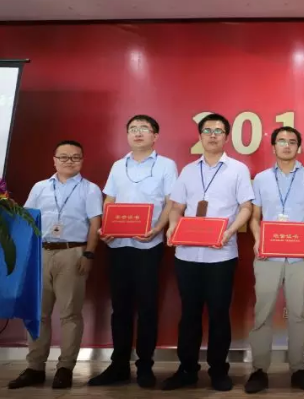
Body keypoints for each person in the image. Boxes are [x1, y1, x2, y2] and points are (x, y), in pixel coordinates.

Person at [162, 113, 254, 392]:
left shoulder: (238, 169)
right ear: (200, 136)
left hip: (221, 255)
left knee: (218, 314)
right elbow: (177, 207)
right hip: (187, 255)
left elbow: (246, 207)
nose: (213, 135)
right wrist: (172, 226)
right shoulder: (188, 170)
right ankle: (187, 369)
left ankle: (218, 370)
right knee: (189, 313)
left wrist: (230, 231)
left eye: (218, 131)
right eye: (208, 130)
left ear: (227, 137)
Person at [88, 115, 178, 389]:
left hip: (148, 246)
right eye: (133, 129)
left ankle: (145, 366)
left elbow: (171, 202)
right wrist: (106, 227)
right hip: (118, 246)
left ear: (155, 136)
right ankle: (118, 366)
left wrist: (157, 229)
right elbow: (110, 199)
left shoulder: (166, 165)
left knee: (148, 307)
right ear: (127, 135)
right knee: (120, 308)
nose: (138, 133)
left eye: (144, 129)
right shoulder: (118, 166)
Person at [8, 140, 102, 390]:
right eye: (64, 157)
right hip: (40, 253)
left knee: (70, 314)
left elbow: (95, 224)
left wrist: (89, 254)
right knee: (38, 313)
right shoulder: (40, 187)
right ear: (54, 160)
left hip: (73, 253)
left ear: (82, 160)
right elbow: (27, 218)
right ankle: (35, 367)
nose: (69, 161)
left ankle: (65, 368)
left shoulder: (90, 189)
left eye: (75, 157)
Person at [245, 126, 304, 394]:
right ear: (273, 147)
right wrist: (258, 240)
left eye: (291, 142)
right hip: (268, 255)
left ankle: (298, 368)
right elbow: (255, 216)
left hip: (300, 256)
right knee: (262, 313)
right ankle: (259, 369)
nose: (286, 145)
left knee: (298, 313)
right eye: (281, 141)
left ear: (298, 147)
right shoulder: (261, 178)